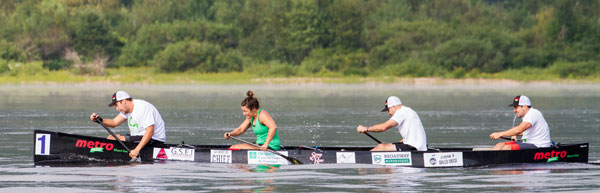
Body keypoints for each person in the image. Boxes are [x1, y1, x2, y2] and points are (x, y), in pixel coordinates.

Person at [89, 91, 166, 158]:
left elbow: (150, 131)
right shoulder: (126, 110)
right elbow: (114, 123)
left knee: (114, 139)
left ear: (123, 101)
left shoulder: (142, 108)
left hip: (155, 140)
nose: (117, 109)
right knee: (111, 137)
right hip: (140, 137)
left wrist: (137, 150)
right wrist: (99, 120)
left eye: (116, 105)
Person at [356, 96, 428, 151]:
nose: (388, 113)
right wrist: (399, 142)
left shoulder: (401, 112)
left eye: (388, 110)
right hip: (420, 146)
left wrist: (366, 128)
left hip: (414, 147)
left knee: (381, 147)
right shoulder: (409, 111)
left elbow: (383, 127)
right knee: (386, 146)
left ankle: (360, 160)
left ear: (394, 106)